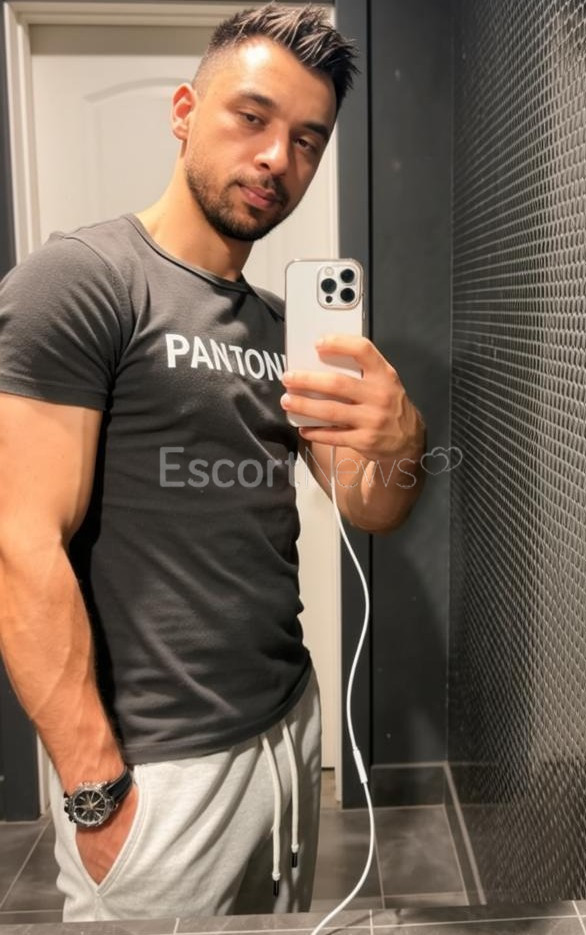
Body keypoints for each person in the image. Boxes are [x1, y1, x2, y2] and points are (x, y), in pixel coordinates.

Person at [0, 2, 427, 923]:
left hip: (287, 725)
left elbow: (369, 508)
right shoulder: (83, 280)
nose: (278, 158)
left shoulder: (284, 327)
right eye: (252, 117)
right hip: (161, 770)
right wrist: (97, 795)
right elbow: (18, 545)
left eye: (308, 140)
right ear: (185, 111)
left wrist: (402, 445)